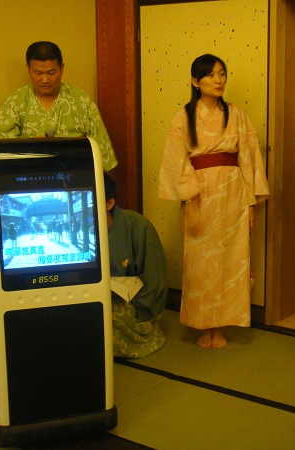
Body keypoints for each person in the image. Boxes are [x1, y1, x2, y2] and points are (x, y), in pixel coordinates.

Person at [158, 54, 269, 349]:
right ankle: (202, 324)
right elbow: (176, 161)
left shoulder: (236, 114)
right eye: (210, 75)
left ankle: (220, 325)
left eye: (222, 74)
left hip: (233, 194)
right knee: (200, 262)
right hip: (200, 196)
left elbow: (248, 158)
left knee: (231, 261)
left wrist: (250, 203)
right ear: (195, 81)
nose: (218, 80)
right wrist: (189, 202)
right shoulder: (183, 116)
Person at [0, 41, 118, 171]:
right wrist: (31, 149)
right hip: (28, 182)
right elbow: (2, 156)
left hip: (77, 179)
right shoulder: (14, 104)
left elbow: (101, 153)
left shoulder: (81, 101)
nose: (45, 80)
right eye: (38, 73)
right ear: (28, 69)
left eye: (51, 73)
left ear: (62, 68)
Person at [105, 172, 168, 358]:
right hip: (95, 297)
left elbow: (155, 283)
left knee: (100, 318)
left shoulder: (138, 227)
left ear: (110, 203)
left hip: (134, 305)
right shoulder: (79, 231)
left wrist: (139, 306)